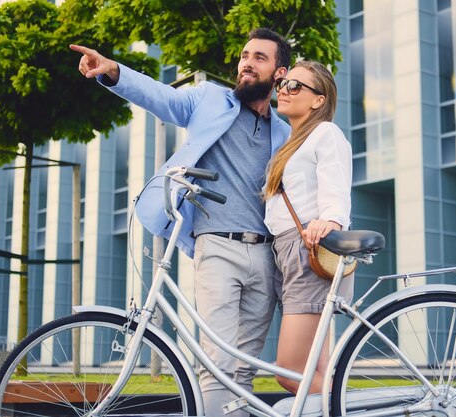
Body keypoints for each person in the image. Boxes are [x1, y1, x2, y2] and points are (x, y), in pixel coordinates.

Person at [71, 28, 291, 417]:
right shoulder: (209, 100)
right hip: (217, 248)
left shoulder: (285, 132)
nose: (246, 62)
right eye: (244, 55)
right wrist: (113, 71)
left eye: (259, 57)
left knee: (244, 370)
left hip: (266, 256)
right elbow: (162, 97)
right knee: (216, 366)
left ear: (279, 72)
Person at [262, 60, 353, 394]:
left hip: (308, 250)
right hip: (289, 250)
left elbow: (336, 184)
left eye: (295, 86)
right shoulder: (292, 141)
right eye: (283, 84)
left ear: (318, 99)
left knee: (290, 373)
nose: (284, 90)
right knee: (319, 369)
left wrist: (331, 220)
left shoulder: (325, 133)